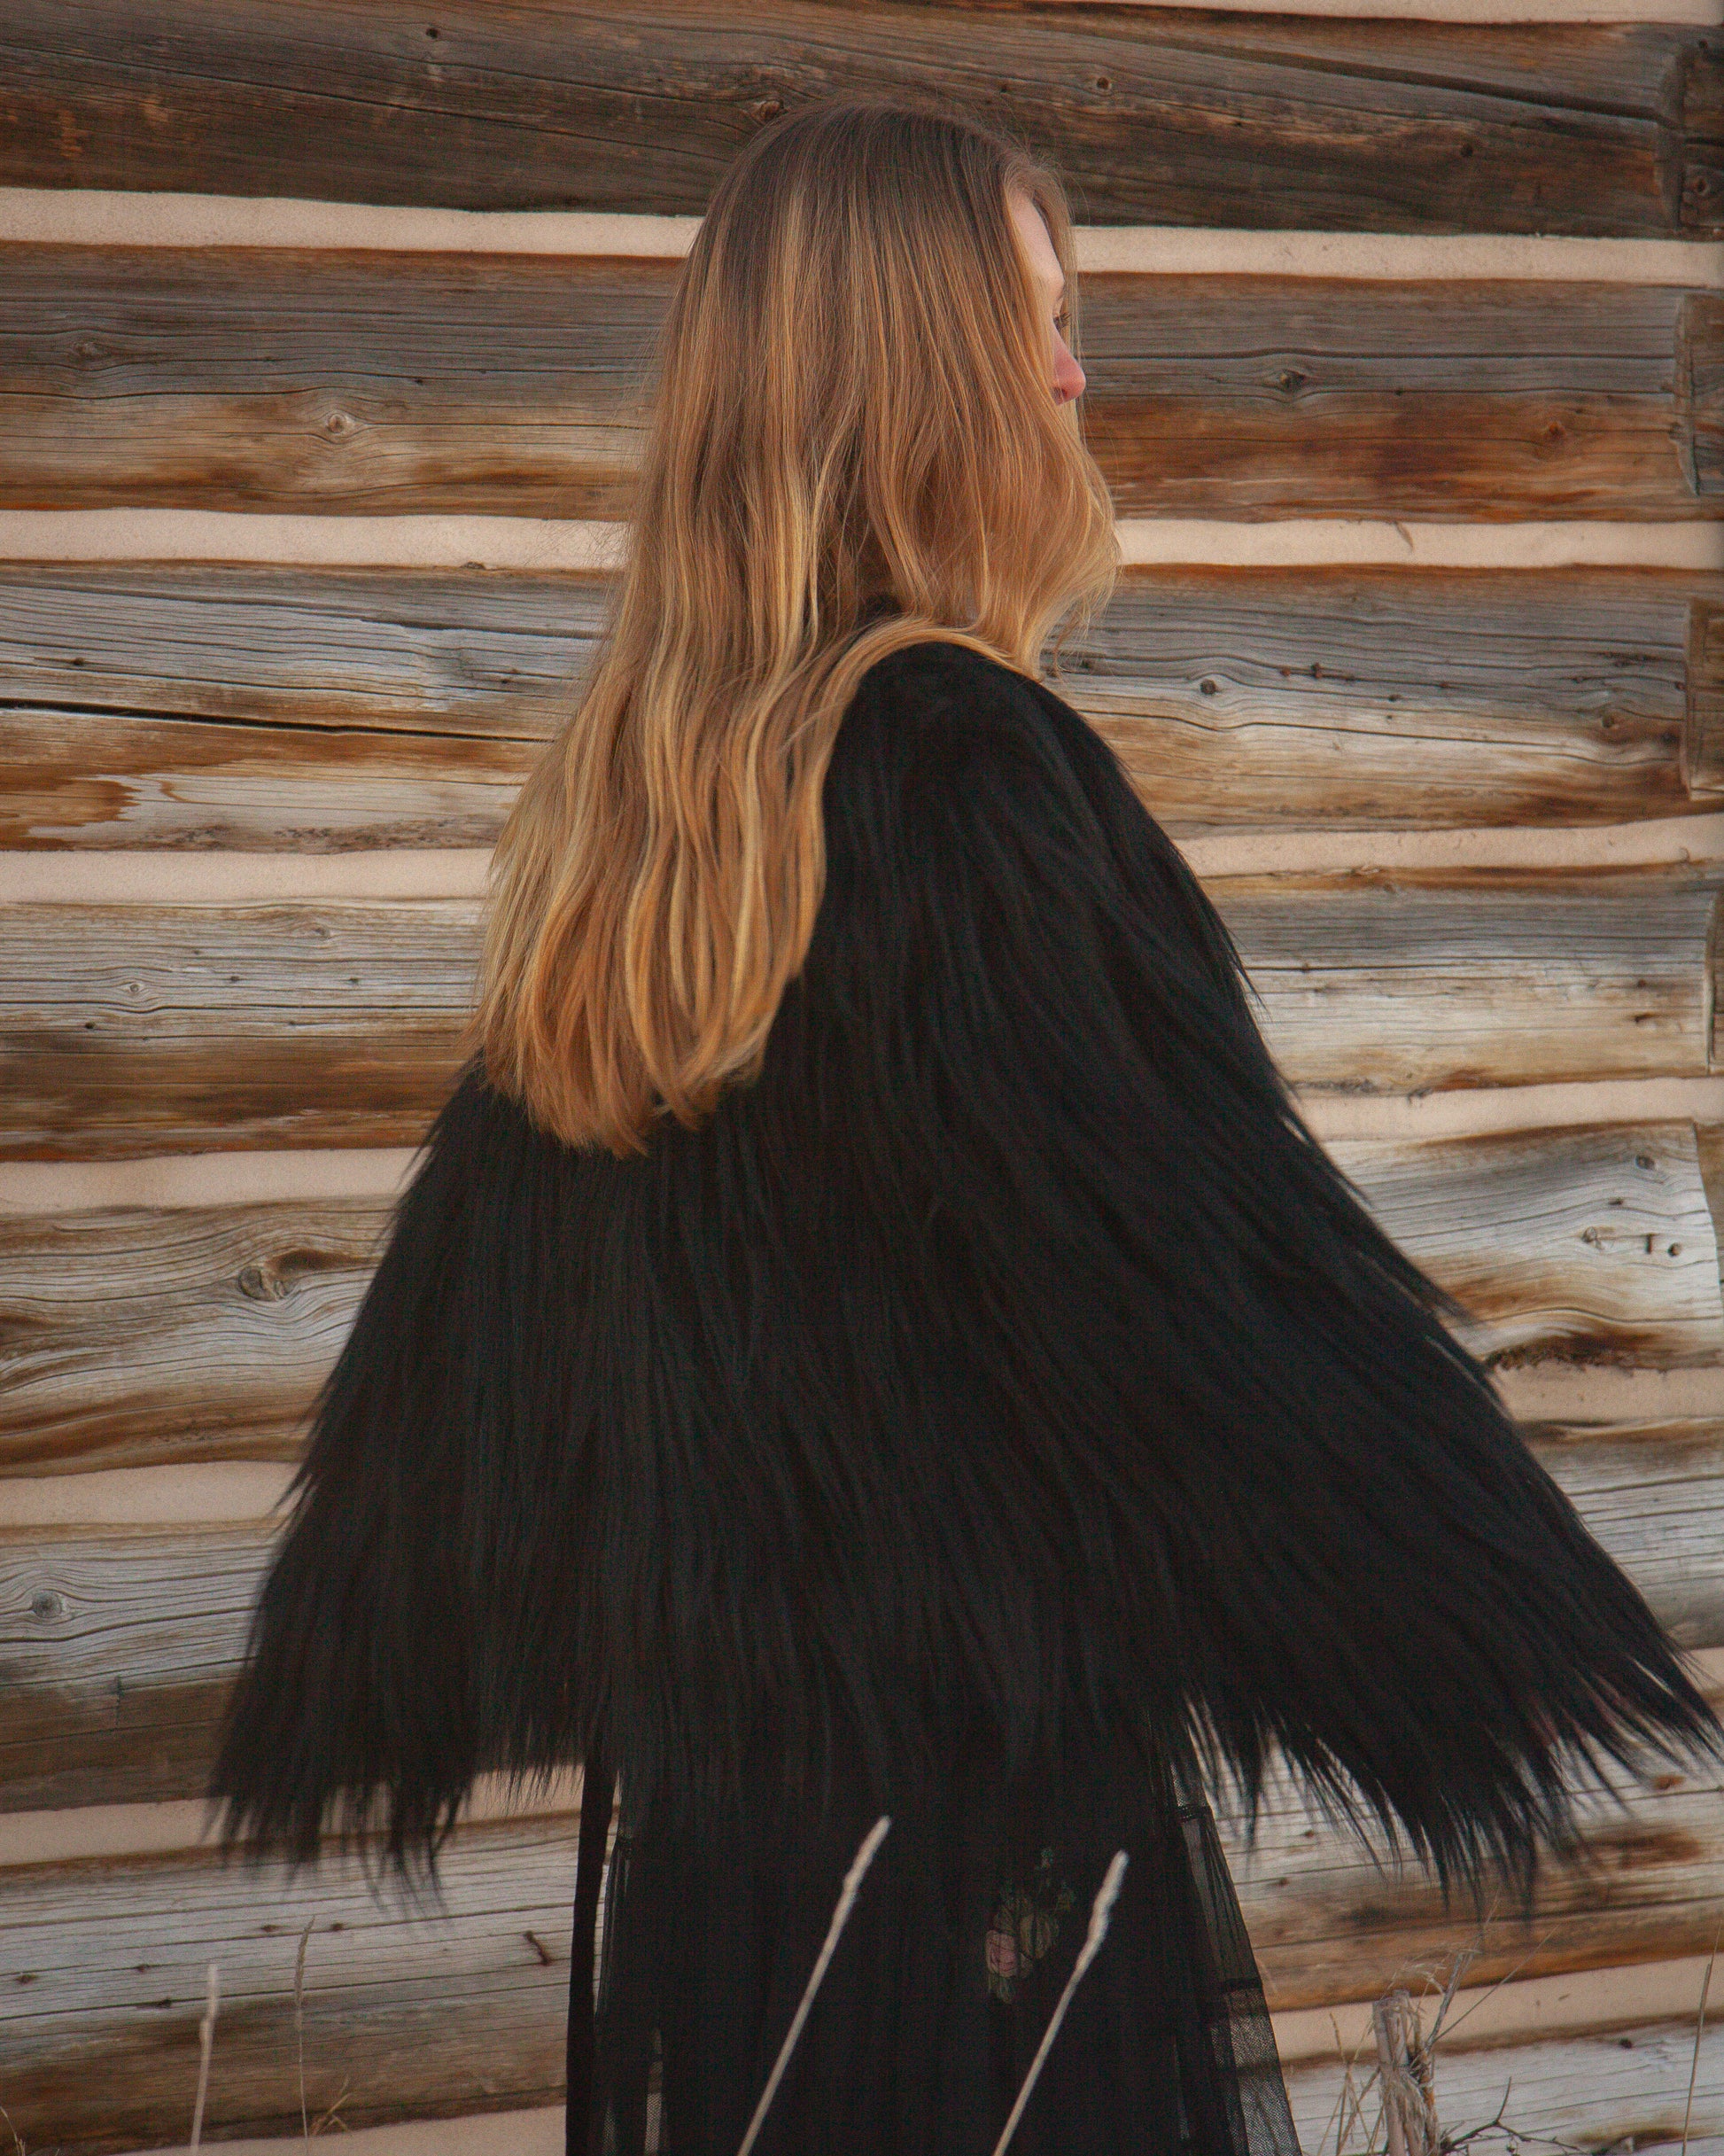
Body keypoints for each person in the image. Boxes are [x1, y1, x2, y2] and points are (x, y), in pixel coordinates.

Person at [208, 96, 1717, 2156]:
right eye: (1039, 320)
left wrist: (377, 1654)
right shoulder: (959, 777)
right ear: (925, 369)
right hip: (985, 1845)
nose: (1077, 374)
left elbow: (489, 1362)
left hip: (729, 1865)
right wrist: (1505, 1630)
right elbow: (1187, 1282)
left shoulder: (647, 825)